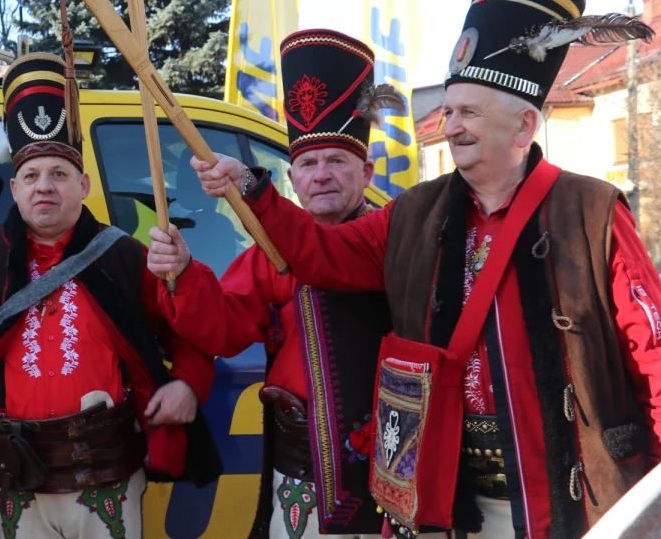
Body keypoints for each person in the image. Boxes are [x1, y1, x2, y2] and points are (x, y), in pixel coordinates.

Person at [186, 0, 661, 539]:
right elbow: (317, 257)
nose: (450, 126)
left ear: (523, 125)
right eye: (449, 110)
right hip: (450, 498)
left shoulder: (593, 211)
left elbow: (659, 357)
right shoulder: (413, 212)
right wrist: (254, 190)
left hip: (569, 492)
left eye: (468, 113)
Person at [0, 52, 222, 539]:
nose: (44, 187)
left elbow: (191, 330)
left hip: (107, 474)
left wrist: (188, 386)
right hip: (14, 477)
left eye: (58, 174)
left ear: (83, 185)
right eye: (31, 177)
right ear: (14, 189)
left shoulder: (125, 257)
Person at [148, 29, 444, 539]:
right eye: (307, 163)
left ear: (367, 170)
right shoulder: (269, 252)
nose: (321, 175)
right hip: (296, 469)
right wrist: (181, 271)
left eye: (337, 162)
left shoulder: (395, 240)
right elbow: (221, 329)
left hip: (384, 468)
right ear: (293, 176)